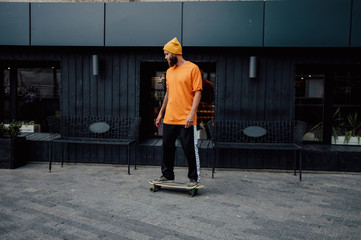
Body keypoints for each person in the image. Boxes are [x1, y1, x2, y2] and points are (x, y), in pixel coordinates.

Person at [154, 37, 203, 187]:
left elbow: (198, 93)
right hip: (170, 118)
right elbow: (168, 94)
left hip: (186, 119)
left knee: (189, 149)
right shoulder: (169, 72)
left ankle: (193, 178)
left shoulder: (192, 69)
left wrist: (191, 114)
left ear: (175, 53)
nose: (165, 57)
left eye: (167, 54)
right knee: (167, 148)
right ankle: (167, 175)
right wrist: (161, 113)